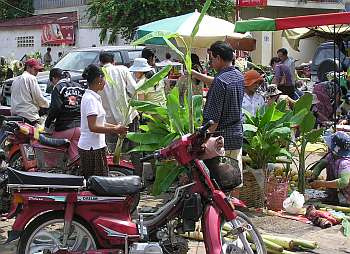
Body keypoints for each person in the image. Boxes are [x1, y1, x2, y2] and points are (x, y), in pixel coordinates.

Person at [78, 64, 128, 179]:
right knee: (96, 181)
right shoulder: (90, 100)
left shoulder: (93, 97)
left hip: (96, 146)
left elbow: (100, 123)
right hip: (91, 147)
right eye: (104, 79)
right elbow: (93, 127)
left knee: (100, 179)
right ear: (100, 79)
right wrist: (115, 129)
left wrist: (116, 127)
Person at [202, 41, 244, 174]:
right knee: (235, 179)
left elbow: (213, 120)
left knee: (221, 183)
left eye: (212, 59)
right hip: (236, 135)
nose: (211, 63)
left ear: (219, 58)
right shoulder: (238, 76)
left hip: (221, 140)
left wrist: (204, 141)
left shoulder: (220, 81)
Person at [44, 68, 85, 161]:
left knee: (52, 152)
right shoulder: (80, 87)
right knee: (75, 155)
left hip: (64, 128)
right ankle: (77, 172)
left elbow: (55, 108)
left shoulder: (58, 88)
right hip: (80, 128)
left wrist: (47, 124)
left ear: (54, 79)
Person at [99, 51, 138, 144]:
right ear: (114, 61)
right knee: (134, 146)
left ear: (100, 62)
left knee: (113, 149)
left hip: (109, 121)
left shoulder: (99, 75)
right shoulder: (123, 70)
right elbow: (133, 89)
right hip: (128, 116)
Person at [310, 131, 350, 205]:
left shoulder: (345, 163)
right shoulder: (331, 156)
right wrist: (314, 175)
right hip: (338, 192)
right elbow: (322, 164)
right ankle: (332, 194)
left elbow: (343, 182)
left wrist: (322, 184)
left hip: (346, 196)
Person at [11, 58, 49, 125]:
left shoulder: (15, 80)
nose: (37, 72)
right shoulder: (31, 78)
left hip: (15, 114)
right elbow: (38, 98)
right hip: (29, 116)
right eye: (35, 69)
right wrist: (48, 104)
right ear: (28, 67)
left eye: (38, 70)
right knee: (45, 129)